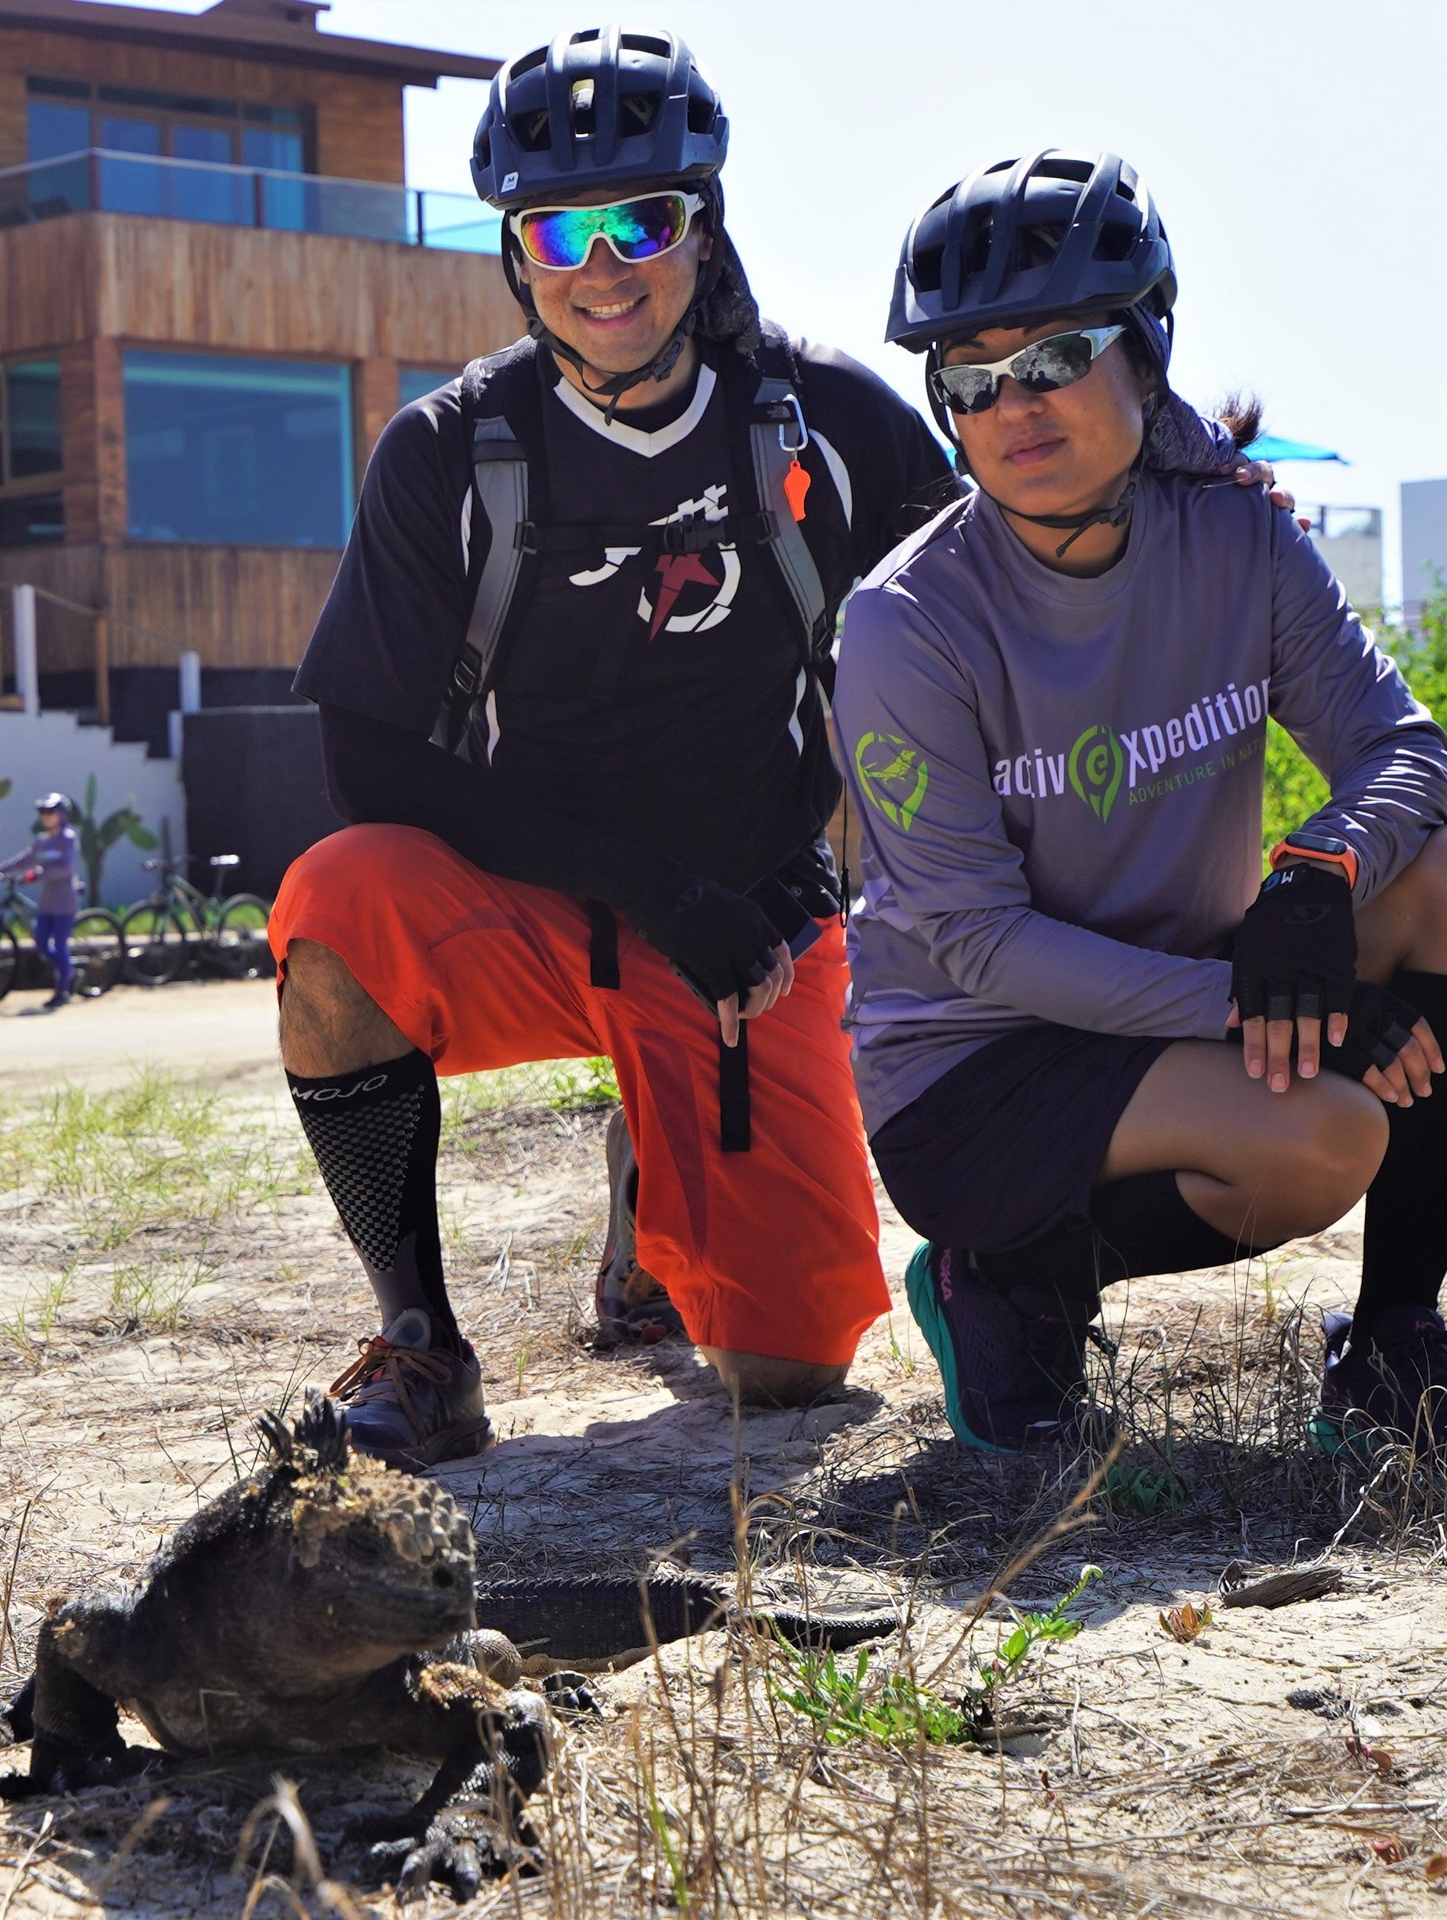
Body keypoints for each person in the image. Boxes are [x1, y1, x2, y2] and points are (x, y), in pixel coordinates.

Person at [265, 25, 965, 1471]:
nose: (606, 263)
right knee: (335, 902)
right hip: (544, 904)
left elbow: (969, 639)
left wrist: (814, 869)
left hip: (751, 931)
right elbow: (368, 762)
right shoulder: (452, 451)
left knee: (790, 1373)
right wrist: (651, 891)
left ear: (702, 234)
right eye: (560, 228)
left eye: (644, 220)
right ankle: (420, 1343)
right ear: (516, 254)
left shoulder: (825, 420)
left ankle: (653, 1208)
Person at [836, 150, 1447, 1480]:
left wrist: (1319, 876)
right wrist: (1270, 1008)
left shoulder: (1238, 538)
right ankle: (1006, 1286)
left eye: (1054, 356)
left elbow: (1400, 748)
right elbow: (979, 947)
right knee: (1325, 1138)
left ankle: (1393, 1343)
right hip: (979, 1068)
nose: (1012, 406)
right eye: (969, 379)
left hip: (1172, 981)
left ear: (1145, 347)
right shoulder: (906, 623)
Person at [0, 792, 82, 1010]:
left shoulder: (68, 838)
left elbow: (66, 868)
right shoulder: (42, 842)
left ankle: (62, 990)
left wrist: (37, 875)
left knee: (59, 944)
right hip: (47, 901)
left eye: (50, 812)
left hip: (64, 901)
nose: (46, 817)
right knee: (40, 942)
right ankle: (70, 973)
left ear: (61, 814)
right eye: (42, 813)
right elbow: (24, 859)